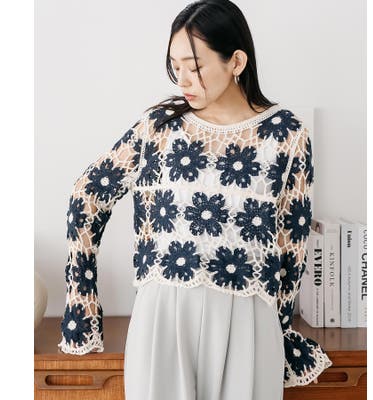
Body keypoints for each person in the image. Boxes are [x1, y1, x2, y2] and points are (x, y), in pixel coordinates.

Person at [58, 1, 332, 399]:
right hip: (163, 316)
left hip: (249, 319)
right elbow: (87, 195)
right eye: (176, 66)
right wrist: (82, 301)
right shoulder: (158, 126)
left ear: (236, 61)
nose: (183, 79)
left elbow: (293, 242)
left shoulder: (287, 135)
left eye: (195, 66)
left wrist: (282, 326)